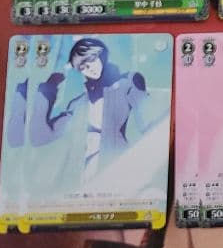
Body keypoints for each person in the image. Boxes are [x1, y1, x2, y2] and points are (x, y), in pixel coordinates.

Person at [28, 38, 149, 185]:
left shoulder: (128, 82)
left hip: (115, 172)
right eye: (83, 67)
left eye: (91, 59)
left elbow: (148, 125)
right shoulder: (78, 103)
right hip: (79, 181)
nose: (89, 68)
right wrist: (47, 90)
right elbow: (40, 137)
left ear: (101, 54)